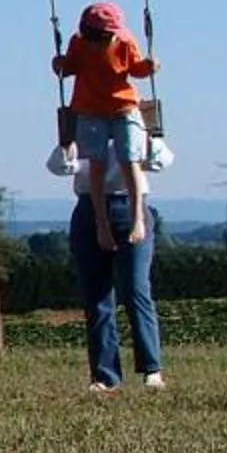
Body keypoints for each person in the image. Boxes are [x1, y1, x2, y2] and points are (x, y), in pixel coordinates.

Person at [54, 1, 158, 251]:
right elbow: (69, 68)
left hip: (123, 106)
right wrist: (59, 65)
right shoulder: (79, 42)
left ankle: (137, 219)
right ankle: (101, 223)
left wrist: (150, 66)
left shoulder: (124, 41)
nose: (96, 42)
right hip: (90, 109)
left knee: (129, 159)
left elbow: (136, 69)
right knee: (97, 165)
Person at [69, 163, 163, 393]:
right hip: (89, 207)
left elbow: (159, 161)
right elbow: (60, 166)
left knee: (135, 289)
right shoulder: (84, 132)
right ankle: (105, 375)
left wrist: (149, 139)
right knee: (97, 296)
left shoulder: (133, 128)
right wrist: (67, 145)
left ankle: (152, 368)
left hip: (130, 204)